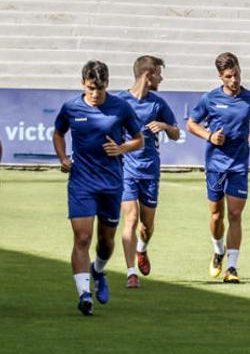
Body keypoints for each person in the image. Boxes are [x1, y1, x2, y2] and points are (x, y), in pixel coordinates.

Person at [53, 60, 144, 315]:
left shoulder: (121, 108)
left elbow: (139, 140)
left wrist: (122, 148)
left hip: (111, 183)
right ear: (83, 83)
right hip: (82, 182)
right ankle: (84, 294)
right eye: (91, 88)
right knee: (82, 237)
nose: (95, 94)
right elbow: (58, 133)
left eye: (100, 88)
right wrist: (62, 157)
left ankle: (98, 270)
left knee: (106, 241)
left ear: (107, 85)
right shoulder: (71, 108)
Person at [186, 52, 250, 283]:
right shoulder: (210, 99)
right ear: (221, 76)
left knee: (235, 215)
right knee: (217, 215)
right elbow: (191, 124)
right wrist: (210, 136)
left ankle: (232, 267)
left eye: (237, 74)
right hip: (216, 165)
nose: (234, 80)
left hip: (238, 165)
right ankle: (218, 250)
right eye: (229, 76)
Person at [119, 56, 179, 288]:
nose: (161, 78)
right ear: (147, 74)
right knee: (131, 218)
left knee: (147, 225)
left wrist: (164, 127)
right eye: (158, 74)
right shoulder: (120, 102)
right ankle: (130, 272)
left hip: (150, 170)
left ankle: (142, 249)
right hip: (126, 169)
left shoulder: (158, 104)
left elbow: (176, 133)